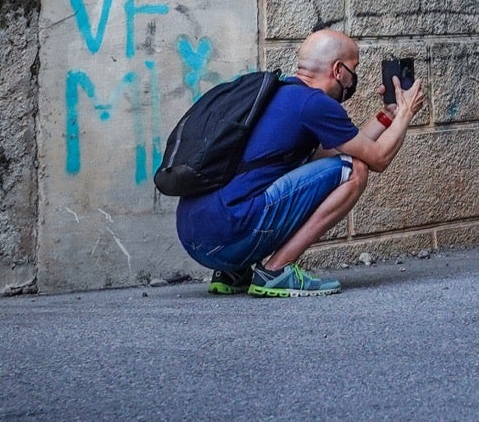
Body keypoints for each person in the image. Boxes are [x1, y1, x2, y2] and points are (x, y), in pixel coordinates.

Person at [175, 28, 425, 297]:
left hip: (195, 238)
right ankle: (275, 272)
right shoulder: (314, 103)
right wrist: (407, 113)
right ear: (339, 70)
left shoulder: (277, 92)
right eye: (354, 69)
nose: (354, 79)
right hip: (230, 237)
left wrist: (388, 116)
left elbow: (332, 157)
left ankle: (234, 273)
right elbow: (377, 158)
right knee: (354, 171)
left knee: (339, 165)